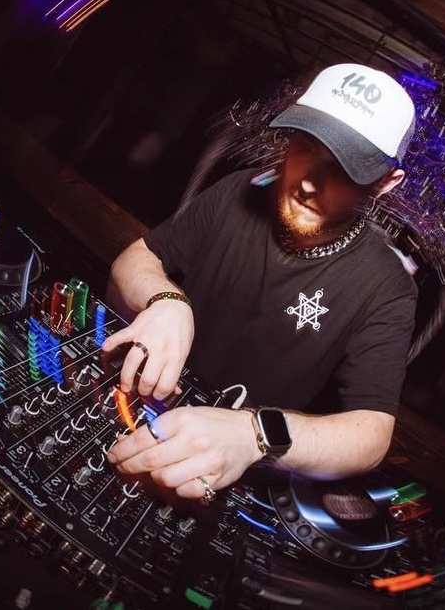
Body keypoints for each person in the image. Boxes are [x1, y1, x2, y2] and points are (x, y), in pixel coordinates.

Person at [102, 62, 419, 506]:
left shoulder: (385, 285)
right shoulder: (237, 191)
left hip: (228, 470)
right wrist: (166, 299)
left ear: (386, 183)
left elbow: (371, 435)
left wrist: (254, 433)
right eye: (306, 148)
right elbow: (137, 257)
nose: (309, 182)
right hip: (141, 406)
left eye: (343, 170)